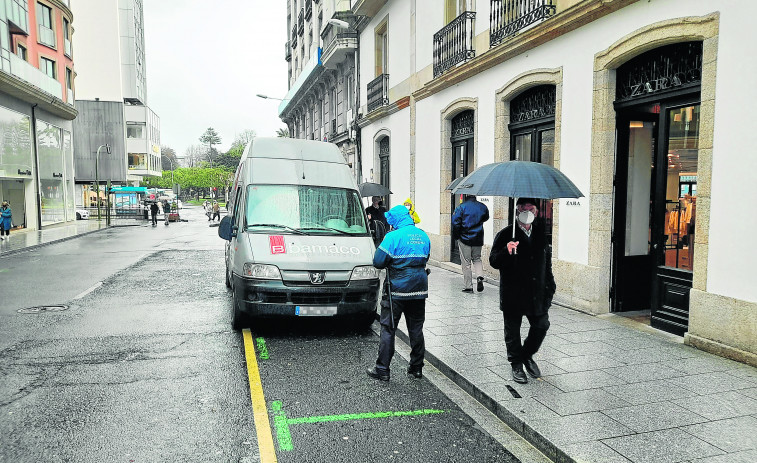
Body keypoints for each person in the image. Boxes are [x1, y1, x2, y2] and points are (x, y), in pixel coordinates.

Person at [489, 198, 556, 384]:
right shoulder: (506, 234)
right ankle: (516, 363)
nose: (528, 212)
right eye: (524, 209)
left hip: (537, 292)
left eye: (531, 209)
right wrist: (506, 251)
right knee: (513, 331)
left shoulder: (541, 233)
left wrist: (550, 286)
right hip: (514, 292)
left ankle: (526, 355)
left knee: (542, 325)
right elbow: (493, 261)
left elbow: (546, 263)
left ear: (536, 211)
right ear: (517, 211)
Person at [366, 205, 431, 381]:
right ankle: (416, 368)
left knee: (388, 328)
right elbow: (425, 258)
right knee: (416, 329)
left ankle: (382, 369)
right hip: (419, 288)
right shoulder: (423, 235)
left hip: (397, 289)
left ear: (395, 219)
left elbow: (378, 262)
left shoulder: (392, 237)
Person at [451, 195, 490, 293]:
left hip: (465, 238)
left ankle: (468, 286)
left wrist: (456, 236)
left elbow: (455, 223)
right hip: (478, 237)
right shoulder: (483, 206)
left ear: (466, 197)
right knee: (477, 258)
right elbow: (486, 217)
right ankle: (480, 276)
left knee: (466, 262)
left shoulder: (461, 207)